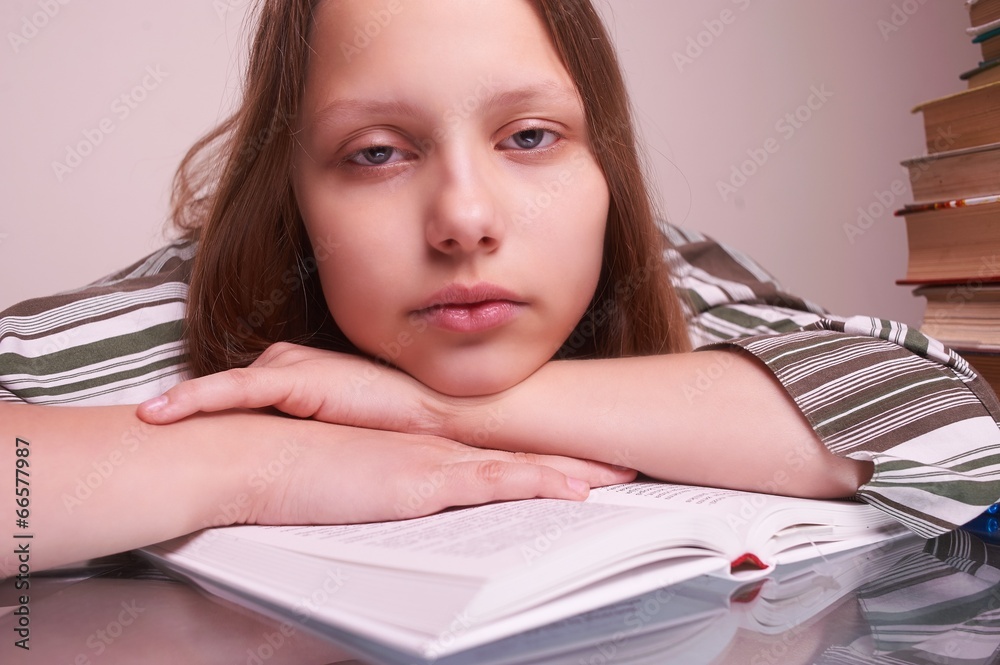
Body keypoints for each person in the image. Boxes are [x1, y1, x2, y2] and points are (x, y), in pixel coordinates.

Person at [2, 0, 999, 577]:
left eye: (528, 138)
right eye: (379, 152)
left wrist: (438, 407)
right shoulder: (170, 332)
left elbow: (957, 425)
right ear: (289, 197)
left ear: (603, 165)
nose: (465, 219)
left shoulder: (668, 271)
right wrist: (254, 462)